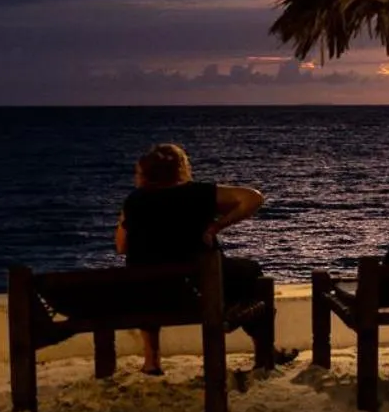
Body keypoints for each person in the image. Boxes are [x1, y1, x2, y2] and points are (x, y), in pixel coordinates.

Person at [113, 142, 275, 375]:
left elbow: (121, 247)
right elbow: (253, 198)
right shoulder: (199, 193)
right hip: (199, 291)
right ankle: (264, 353)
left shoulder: (134, 201)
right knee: (252, 273)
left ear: (146, 174)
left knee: (147, 273)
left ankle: (152, 361)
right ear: (180, 168)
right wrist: (217, 226)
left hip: (150, 297)